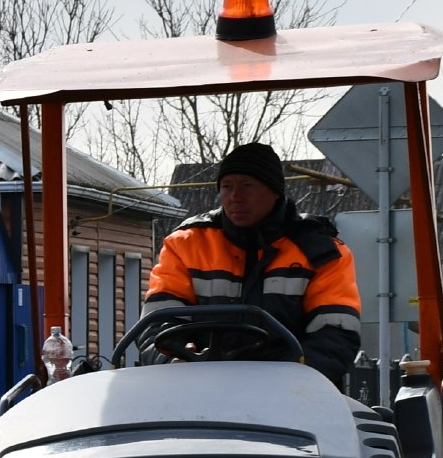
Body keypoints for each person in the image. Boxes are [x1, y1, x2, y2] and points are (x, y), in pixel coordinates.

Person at [144, 140, 362, 386]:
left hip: (290, 396)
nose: (235, 196)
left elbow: (335, 335)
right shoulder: (185, 245)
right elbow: (157, 324)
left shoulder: (322, 252)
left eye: (247, 186)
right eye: (227, 186)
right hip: (195, 390)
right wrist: (173, 360)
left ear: (274, 191)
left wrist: (288, 380)